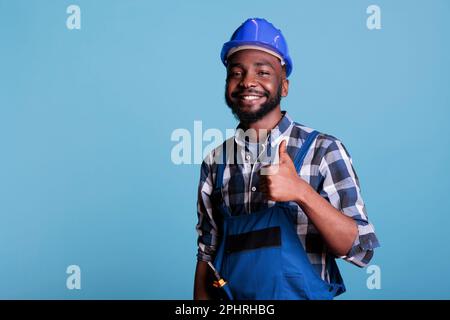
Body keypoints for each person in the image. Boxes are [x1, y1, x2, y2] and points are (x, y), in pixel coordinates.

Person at [193, 18, 380, 300]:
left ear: (284, 87)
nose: (248, 82)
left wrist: (301, 192)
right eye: (237, 73)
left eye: (263, 72)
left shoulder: (323, 151)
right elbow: (207, 255)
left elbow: (359, 250)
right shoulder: (215, 162)